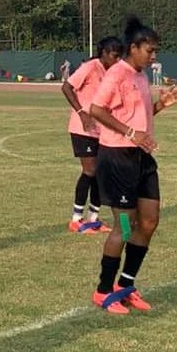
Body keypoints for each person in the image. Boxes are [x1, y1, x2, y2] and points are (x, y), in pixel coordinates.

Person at [88, 17, 177, 315]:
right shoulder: (117, 73)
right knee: (125, 227)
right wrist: (130, 133)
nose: (154, 56)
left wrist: (160, 106)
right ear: (134, 48)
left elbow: (136, 117)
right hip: (117, 159)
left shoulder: (140, 77)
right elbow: (96, 109)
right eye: (150, 50)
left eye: (155, 51)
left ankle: (125, 285)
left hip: (142, 159)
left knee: (150, 221)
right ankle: (103, 290)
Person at [61, 36, 123, 234]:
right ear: (104, 53)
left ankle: (94, 218)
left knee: (101, 173)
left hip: (101, 130)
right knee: (90, 170)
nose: (118, 60)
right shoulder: (90, 67)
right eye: (115, 56)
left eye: (120, 57)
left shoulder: (114, 73)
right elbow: (66, 87)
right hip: (83, 129)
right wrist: (82, 113)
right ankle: (76, 219)